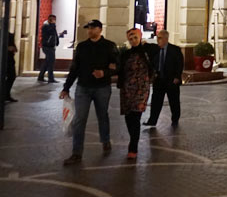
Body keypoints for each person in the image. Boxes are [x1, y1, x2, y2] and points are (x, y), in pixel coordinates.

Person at [60, 20, 118, 166]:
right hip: (83, 88)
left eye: (92, 28)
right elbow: (74, 68)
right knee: (79, 120)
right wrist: (66, 88)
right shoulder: (82, 46)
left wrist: (104, 72)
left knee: (102, 115)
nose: (89, 31)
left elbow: (117, 66)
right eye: (88, 28)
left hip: (102, 88)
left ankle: (105, 140)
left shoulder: (109, 46)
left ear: (100, 29)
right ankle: (76, 153)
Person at [117, 28, 157, 160]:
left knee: (136, 116)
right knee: (129, 117)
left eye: (135, 37)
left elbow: (157, 50)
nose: (133, 40)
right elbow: (119, 68)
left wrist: (146, 44)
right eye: (130, 38)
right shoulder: (126, 54)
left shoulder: (147, 51)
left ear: (140, 37)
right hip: (127, 89)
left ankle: (133, 147)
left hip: (142, 88)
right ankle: (132, 139)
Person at [144, 29, 183, 128]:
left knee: (173, 101)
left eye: (160, 38)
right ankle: (152, 120)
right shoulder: (155, 50)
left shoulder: (175, 50)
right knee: (156, 101)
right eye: (157, 38)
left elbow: (180, 64)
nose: (158, 40)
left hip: (171, 81)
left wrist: (177, 77)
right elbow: (146, 50)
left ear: (166, 39)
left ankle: (175, 119)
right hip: (159, 80)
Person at [0, 22, 18, 104]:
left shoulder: (10, 35)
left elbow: (13, 46)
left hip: (9, 60)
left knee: (12, 76)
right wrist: (6, 48)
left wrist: (14, 48)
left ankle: (6, 95)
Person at [38, 14, 59, 83]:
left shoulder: (52, 26)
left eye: (54, 19)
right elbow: (50, 32)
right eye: (51, 19)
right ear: (48, 19)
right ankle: (51, 78)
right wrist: (53, 24)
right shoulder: (45, 26)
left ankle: (41, 76)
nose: (53, 21)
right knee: (51, 62)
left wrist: (57, 42)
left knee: (47, 62)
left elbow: (55, 34)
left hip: (51, 46)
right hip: (47, 46)